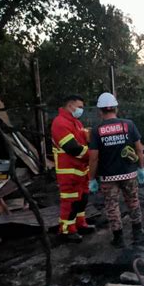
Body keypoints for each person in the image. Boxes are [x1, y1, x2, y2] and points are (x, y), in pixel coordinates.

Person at [88, 92, 144, 247]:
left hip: (108, 177)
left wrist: (91, 178)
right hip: (129, 173)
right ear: (115, 108)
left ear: (100, 111)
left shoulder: (96, 130)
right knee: (133, 202)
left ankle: (119, 239)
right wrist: (141, 168)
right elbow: (139, 149)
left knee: (112, 206)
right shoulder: (129, 124)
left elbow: (93, 157)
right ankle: (138, 234)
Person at [51, 94, 95, 243]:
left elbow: (85, 137)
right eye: (80, 107)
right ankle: (66, 231)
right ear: (70, 106)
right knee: (70, 202)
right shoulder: (60, 123)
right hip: (68, 171)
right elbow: (72, 148)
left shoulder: (76, 123)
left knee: (83, 199)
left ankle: (80, 224)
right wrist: (93, 155)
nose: (81, 110)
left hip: (81, 170)